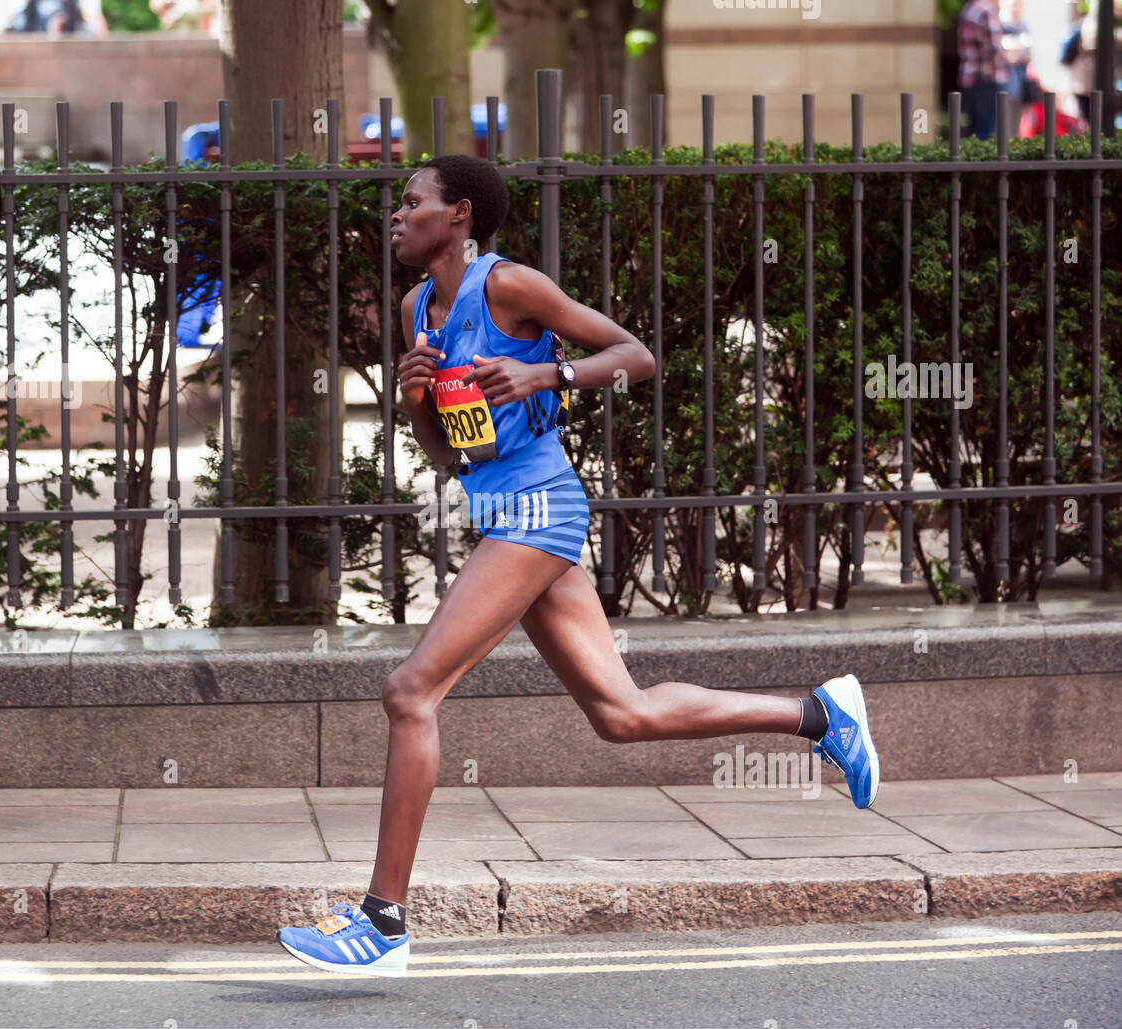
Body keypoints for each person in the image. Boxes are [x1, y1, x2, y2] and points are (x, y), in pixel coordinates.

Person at [275, 155, 881, 977]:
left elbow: (636, 356)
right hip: (507, 510)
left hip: (540, 510)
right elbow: (455, 455)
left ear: (458, 215)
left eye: (412, 201)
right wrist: (415, 400)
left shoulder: (509, 287)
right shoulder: (420, 306)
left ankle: (383, 922)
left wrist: (544, 371)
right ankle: (818, 715)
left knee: (410, 690)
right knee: (621, 715)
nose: (397, 214)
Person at [958, 0, 1011, 139]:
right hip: (988, 78)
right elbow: (995, 48)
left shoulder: (969, 9)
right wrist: (1013, 54)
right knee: (986, 133)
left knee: (970, 132)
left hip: (968, 77)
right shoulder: (987, 10)